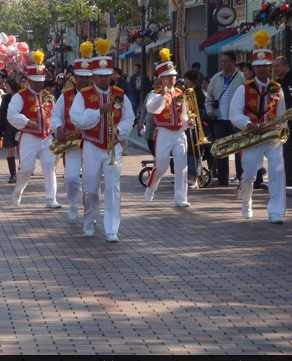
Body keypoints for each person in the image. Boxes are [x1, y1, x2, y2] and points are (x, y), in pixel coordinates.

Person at [69, 40, 135, 240]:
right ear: (93, 76)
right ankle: (89, 220)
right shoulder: (84, 95)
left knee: (113, 187)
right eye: (100, 76)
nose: (104, 79)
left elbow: (129, 117)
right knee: (90, 188)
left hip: (112, 147)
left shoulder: (120, 94)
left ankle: (111, 228)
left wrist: (118, 132)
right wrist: (98, 112)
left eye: (107, 75)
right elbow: (77, 119)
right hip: (91, 145)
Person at [230, 32, 287, 224]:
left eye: (266, 66)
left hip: (272, 137)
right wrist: (248, 124)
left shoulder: (277, 88)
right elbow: (234, 114)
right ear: (253, 68)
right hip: (252, 136)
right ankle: (246, 201)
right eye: (259, 66)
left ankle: (275, 210)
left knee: (277, 172)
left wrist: (282, 133)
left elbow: (282, 113)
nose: (262, 70)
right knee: (249, 174)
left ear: (270, 67)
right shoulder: (243, 89)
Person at [8, 51, 61, 208]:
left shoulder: (49, 96)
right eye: (35, 81)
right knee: (26, 168)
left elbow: (56, 114)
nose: (38, 84)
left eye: (41, 81)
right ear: (29, 80)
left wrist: (57, 129)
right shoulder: (20, 96)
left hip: (47, 138)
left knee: (50, 168)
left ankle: (51, 199)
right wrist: (26, 122)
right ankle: (19, 189)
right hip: (29, 137)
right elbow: (12, 114)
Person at [51, 41, 94, 223]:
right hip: (72, 144)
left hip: (93, 143)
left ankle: (90, 212)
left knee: (91, 182)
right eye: (80, 77)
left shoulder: (98, 94)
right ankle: (74, 202)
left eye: (87, 77)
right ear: (74, 77)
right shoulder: (66, 95)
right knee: (71, 178)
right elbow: (56, 115)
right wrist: (58, 128)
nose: (83, 80)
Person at [144, 48, 193, 207]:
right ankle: (151, 187)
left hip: (179, 133)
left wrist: (188, 123)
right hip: (163, 133)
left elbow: (183, 114)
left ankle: (180, 198)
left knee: (181, 166)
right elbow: (152, 109)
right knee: (162, 166)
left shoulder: (180, 93)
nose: (172, 79)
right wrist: (161, 94)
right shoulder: (155, 94)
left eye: (174, 76)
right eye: (169, 76)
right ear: (162, 78)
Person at [205, 52, 245, 186]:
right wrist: (210, 111)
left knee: (239, 149)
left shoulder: (241, 78)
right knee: (221, 149)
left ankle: (242, 177)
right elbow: (209, 98)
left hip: (236, 121)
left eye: (226, 61)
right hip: (219, 119)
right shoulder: (216, 78)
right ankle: (223, 178)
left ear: (233, 62)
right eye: (222, 61)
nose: (223, 64)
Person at [272, 56, 292, 186]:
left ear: (286, 66)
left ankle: (290, 177)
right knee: (285, 148)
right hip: (283, 122)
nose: (275, 69)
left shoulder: (290, 81)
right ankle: (288, 175)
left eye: (277, 66)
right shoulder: (277, 83)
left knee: (289, 148)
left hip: (291, 121)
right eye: (273, 66)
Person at [0, 78, 20, 183]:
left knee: (21, 151)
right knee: (10, 151)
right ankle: (13, 174)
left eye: (8, 86)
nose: (6, 88)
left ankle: (22, 173)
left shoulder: (21, 97)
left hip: (20, 127)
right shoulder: (5, 99)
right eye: (5, 86)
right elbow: (1, 115)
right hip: (8, 127)